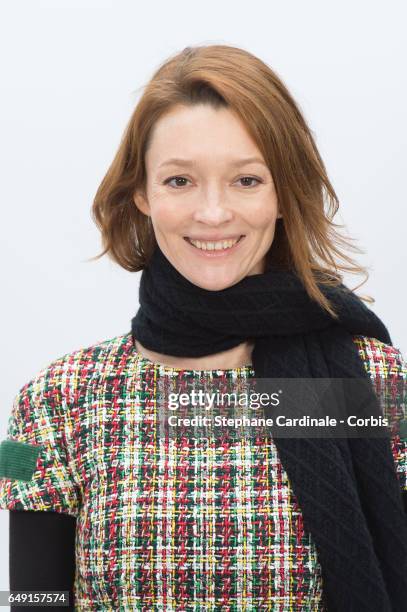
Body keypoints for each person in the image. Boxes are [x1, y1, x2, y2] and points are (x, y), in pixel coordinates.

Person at [0, 44, 406, 611]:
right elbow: (32, 601)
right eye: (179, 181)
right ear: (141, 193)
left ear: (284, 194)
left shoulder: (383, 387)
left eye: (246, 180)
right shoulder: (50, 401)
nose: (213, 213)